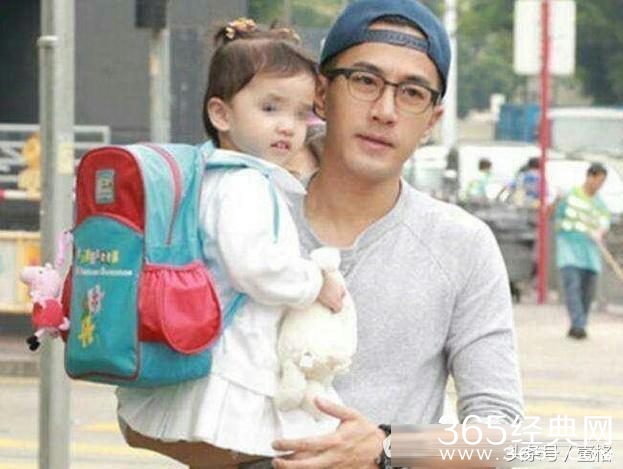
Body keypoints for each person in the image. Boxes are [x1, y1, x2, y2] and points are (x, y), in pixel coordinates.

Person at [269, 1, 524, 468]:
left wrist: (385, 448)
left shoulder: (462, 244)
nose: (385, 111)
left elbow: (500, 435)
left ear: (432, 120)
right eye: (365, 81)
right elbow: (147, 417)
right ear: (321, 94)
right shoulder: (250, 222)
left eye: (412, 93)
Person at [116, 19, 346, 468]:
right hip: (236, 356)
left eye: (301, 114)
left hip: (209, 349)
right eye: (270, 108)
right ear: (221, 114)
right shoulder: (246, 184)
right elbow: (255, 267)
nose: (288, 126)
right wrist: (315, 282)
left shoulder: (209, 176)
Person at [554, 163, 610, 340]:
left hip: (590, 256)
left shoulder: (600, 204)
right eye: (598, 180)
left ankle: (579, 324)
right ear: (589, 177)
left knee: (587, 293)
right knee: (573, 288)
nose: (599, 184)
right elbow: (557, 218)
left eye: (602, 181)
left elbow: (605, 222)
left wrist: (600, 232)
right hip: (569, 252)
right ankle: (578, 325)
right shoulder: (570, 196)